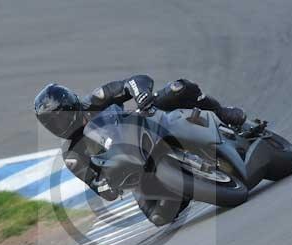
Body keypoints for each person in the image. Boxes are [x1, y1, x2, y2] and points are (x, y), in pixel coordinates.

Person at [34, 75, 246, 224]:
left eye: (59, 117)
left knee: (178, 88)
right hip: (137, 171)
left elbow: (135, 81)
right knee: (159, 217)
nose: (57, 125)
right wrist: (106, 184)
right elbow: (95, 184)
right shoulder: (71, 153)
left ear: (71, 104)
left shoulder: (96, 99)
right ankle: (182, 186)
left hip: (147, 123)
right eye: (50, 123)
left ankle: (222, 113)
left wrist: (141, 94)